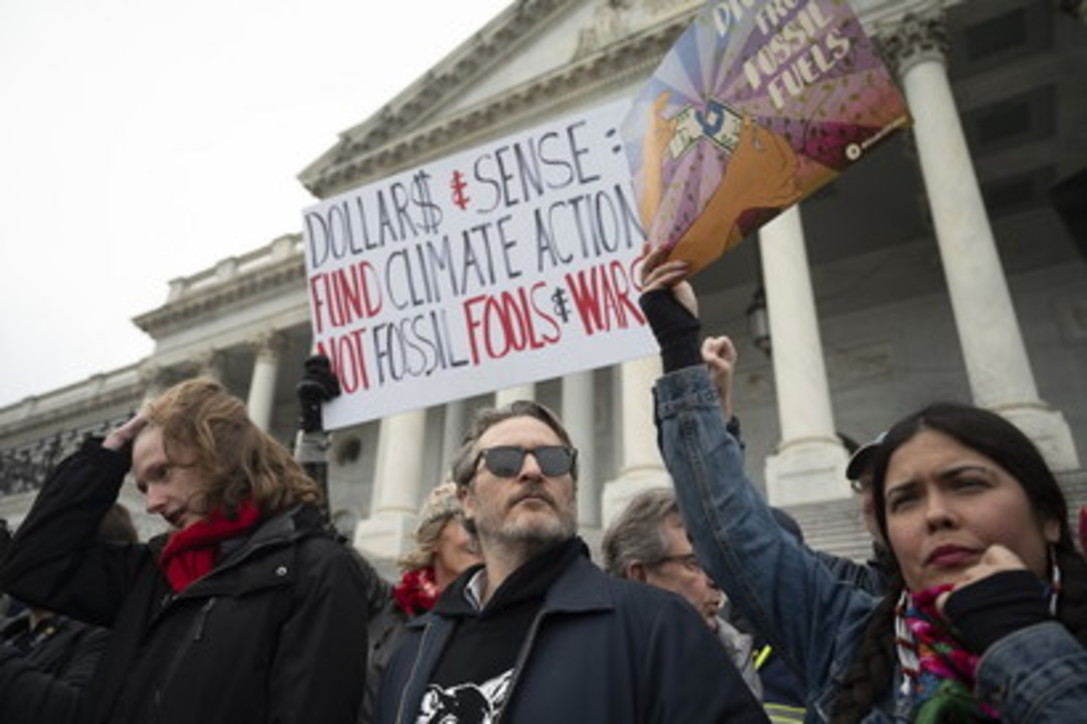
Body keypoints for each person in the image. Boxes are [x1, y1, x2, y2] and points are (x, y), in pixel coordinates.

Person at [639, 248, 1087, 722]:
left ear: (1049, 517)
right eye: (905, 500)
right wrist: (678, 340)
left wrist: (1021, 641)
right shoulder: (850, 635)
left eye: (967, 484)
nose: (937, 513)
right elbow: (731, 528)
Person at [0, 377, 370, 724]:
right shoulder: (153, 573)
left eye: (162, 473)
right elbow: (33, 567)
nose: (152, 503)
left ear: (218, 453)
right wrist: (105, 457)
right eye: (143, 486)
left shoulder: (315, 569)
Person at [376, 400, 769, 723]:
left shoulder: (656, 626)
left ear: (572, 491)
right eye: (505, 461)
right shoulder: (411, 651)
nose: (532, 471)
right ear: (467, 500)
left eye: (553, 460)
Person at [602, 486, 762, 697]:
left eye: (715, 563)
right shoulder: (594, 667)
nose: (716, 581)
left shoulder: (735, 652)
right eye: (695, 563)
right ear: (639, 576)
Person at [0, 504, 137, 724]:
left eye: (32, 543)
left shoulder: (107, 637)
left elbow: (76, 713)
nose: (18, 554)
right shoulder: (14, 628)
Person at [362, 482, 481, 724]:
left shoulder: (498, 618)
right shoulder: (388, 607)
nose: (478, 539)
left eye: (485, 528)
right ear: (435, 537)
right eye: (467, 525)